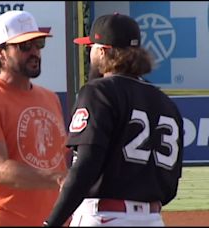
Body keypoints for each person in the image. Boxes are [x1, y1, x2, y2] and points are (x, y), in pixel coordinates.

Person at [43, 13, 184, 226]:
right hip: (152, 219)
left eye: (91, 47)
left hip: (105, 217)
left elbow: (85, 166)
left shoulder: (98, 92)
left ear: (103, 51)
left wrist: (51, 223)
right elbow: (171, 184)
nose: (90, 53)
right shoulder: (166, 103)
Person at [0, 10, 69, 226]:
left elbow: (61, 159)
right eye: (24, 46)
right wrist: (57, 179)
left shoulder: (50, 98)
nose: (35, 52)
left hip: (55, 219)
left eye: (38, 44)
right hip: (5, 219)